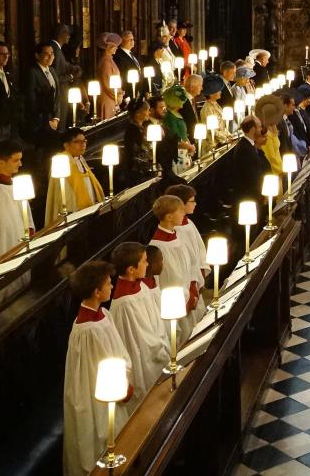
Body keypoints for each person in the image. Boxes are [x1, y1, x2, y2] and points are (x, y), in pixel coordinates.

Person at [63, 261, 133, 476]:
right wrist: (121, 386)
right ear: (96, 292)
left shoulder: (104, 314)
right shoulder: (87, 330)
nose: (112, 286)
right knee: (101, 438)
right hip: (95, 392)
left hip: (114, 380)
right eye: (108, 284)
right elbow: (96, 368)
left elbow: (117, 350)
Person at [109, 242, 169, 401]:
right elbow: (143, 341)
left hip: (157, 344)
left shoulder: (141, 286)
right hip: (142, 359)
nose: (148, 264)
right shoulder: (125, 302)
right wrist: (163, 348)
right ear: (131, 270)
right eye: (144, 261)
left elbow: (155, 319)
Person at [148, 195, 202, 345]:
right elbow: (169, 280)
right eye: (180, 211)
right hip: (176, 303)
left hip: (188, 293)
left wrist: (193, 285)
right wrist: (187, 297)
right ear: (169, 216)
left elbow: (190, 263)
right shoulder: (158, 247)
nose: (184, 213)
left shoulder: (176, 236)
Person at [44, 128, 104, 226]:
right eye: (77, 142)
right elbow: (60, 193)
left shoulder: (80, 158)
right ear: (66, 145)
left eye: (84, 141)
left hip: (89, 209)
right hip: (72, 210)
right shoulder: (61, 161)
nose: (83, 144)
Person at [24, 42, 62, 147]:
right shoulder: (32, 72)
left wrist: (56, 118)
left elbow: (57, 96)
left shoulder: (52, 71)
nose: (50, 56)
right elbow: (31, 100)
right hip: (39, 123)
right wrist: (46, 121)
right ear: (37, 55)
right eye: (46, 54)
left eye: (52, 53)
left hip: (53, 120)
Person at [230, 116, 271, 204]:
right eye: (259, 126)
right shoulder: (244, 149)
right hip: (250, 199)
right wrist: (262, 196)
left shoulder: (249, 145)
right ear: (252, 129)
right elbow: (252, 178)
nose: (261, 130)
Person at [120, 100, 152, 190]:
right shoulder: (133, 130)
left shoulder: (140, 128)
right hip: (137, 172)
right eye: (147, 110)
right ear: (138, 113)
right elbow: (136, 151)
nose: (149, 113)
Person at [95, 32, 123, 120]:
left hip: (112, 98)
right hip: (108, 99)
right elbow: (107, 84)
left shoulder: (109, 59)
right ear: (108, 47)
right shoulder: (105, 62)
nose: (117, 48)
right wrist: (117, 96)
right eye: (115, 46)